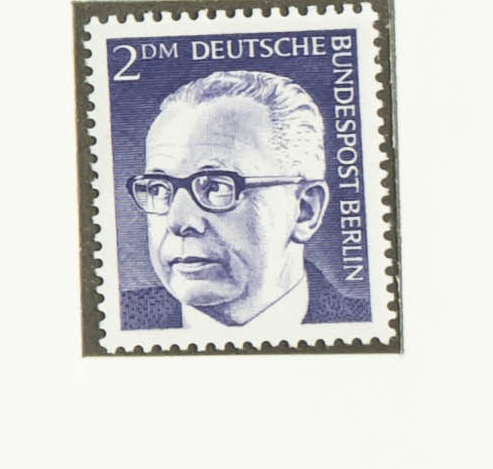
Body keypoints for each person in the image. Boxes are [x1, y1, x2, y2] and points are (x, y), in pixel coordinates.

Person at [132, 63, 340, 331]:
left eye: (216, 187)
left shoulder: (370, 325)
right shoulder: (116, 321)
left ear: (304, 210)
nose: (178, 221)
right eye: (159, 189)